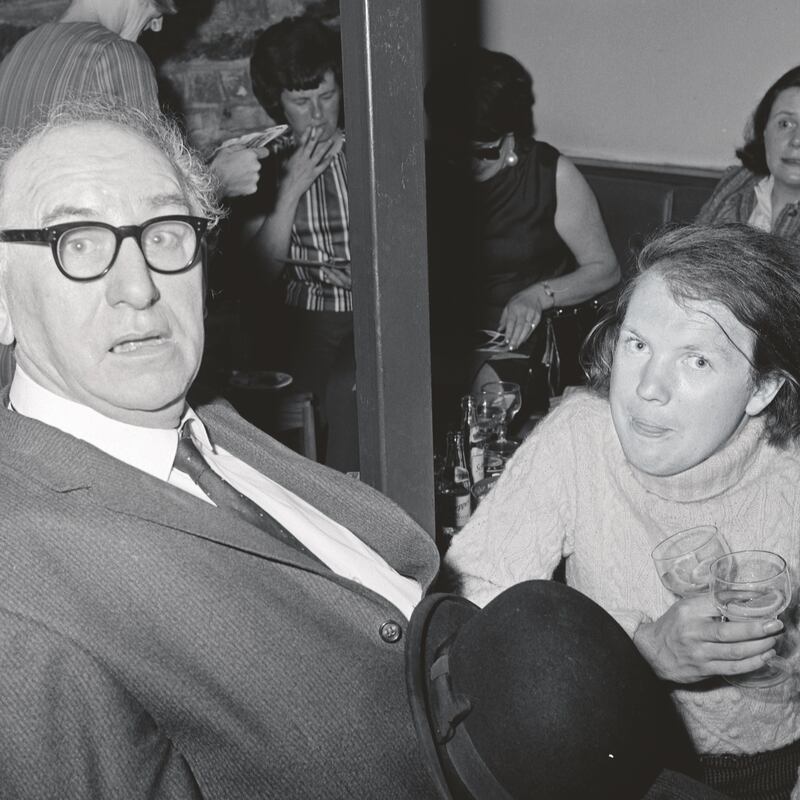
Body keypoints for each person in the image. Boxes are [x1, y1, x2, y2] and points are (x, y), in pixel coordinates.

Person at [0, 101, 727, 800]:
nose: (139, 288)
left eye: (163, 232)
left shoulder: (210, 421)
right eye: (79, 244)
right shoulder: (26, 610)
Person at [444, 223, 800, 799]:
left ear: (762, 390)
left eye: (697, 361)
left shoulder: (791, 474)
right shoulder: (581, 436)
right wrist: (639, 652)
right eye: (638, 345)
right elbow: (472, 599)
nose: (646, 389)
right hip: (604, 758)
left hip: (767, 771)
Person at [425, 48, 619, 422]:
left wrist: (538, 295)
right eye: (456, 151)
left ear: (509, 135)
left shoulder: (550, 173)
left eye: (483, 152)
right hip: (448, 334)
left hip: (527, 333)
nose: (468, 163)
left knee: (491, 400)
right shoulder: (431, 168)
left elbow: (605, 268)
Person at [234, 14, 357, 471]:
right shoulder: (264, 164)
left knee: (358, 392)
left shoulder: (369, 149)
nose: (319, 114)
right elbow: (259, 274)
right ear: (277, 103)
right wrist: (290, 191)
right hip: (305, 320)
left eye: (328, 96)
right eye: (302, 101)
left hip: (375, 312)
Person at [697, 66, 800, 240]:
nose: (796, 140)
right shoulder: (736, 183)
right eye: (785, 124)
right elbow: (689, 259)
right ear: (764, 131)